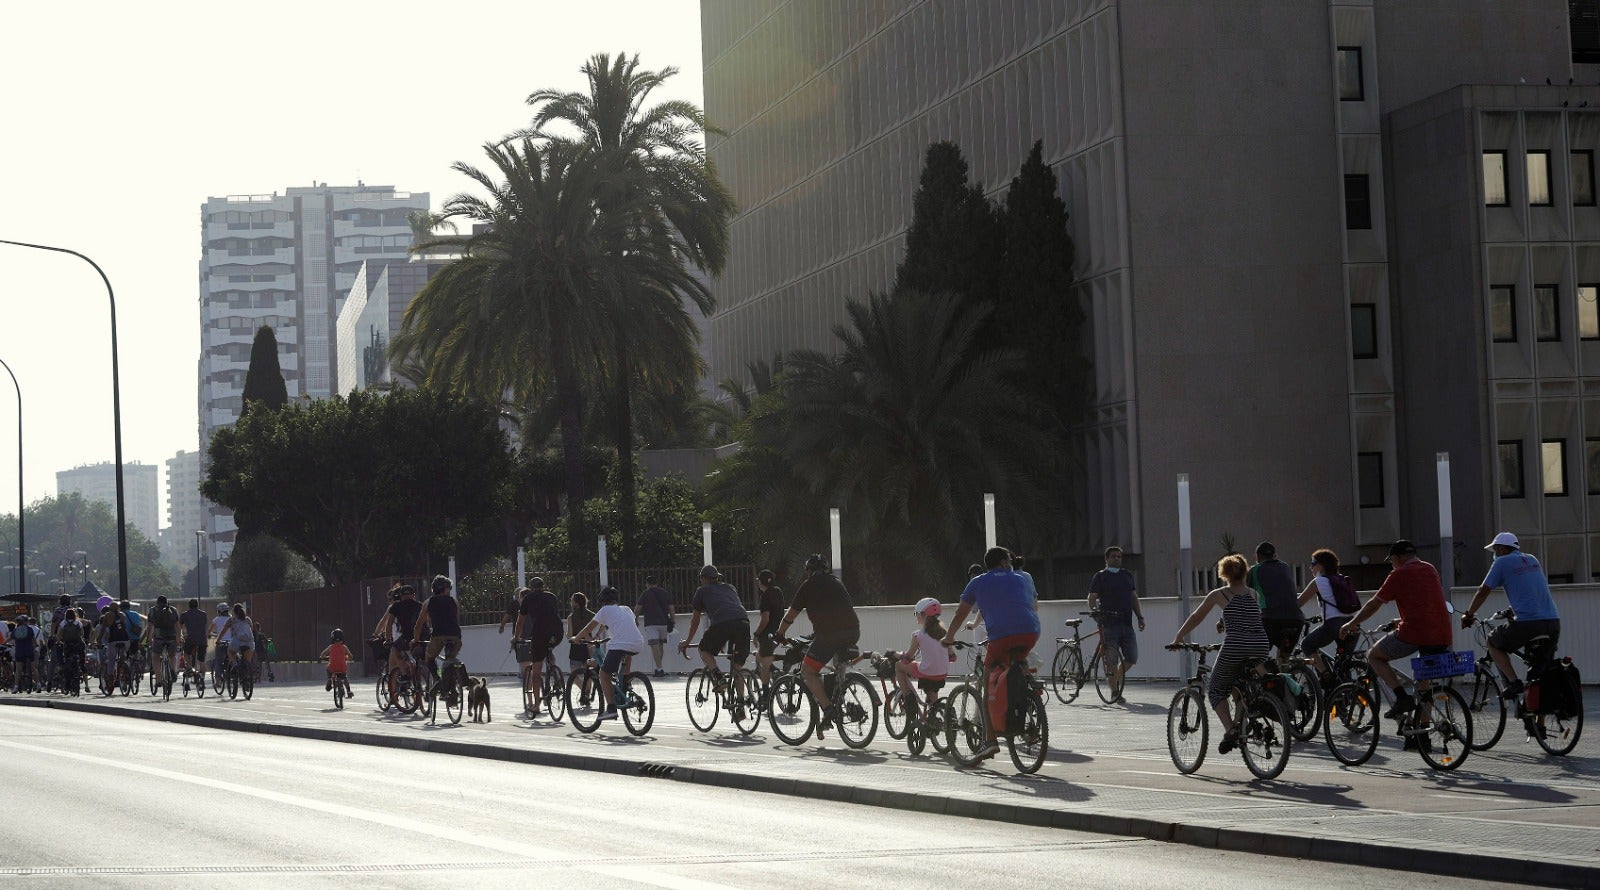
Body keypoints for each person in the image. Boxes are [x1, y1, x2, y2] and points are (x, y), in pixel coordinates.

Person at [1169, 554, 1271, 754]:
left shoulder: (1220, 594)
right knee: (1237, 679)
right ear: (1245, 571)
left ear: (1223, 573)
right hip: (1260, 644)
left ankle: (1232, 730)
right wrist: (1224, 622)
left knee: (1215, 688)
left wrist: (1179, 636)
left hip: (1236, 645)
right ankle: (1244, 715)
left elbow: (1196, 616)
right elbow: (1246, 615)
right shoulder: (1253, 594)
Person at [1340, 540, 1453, 719]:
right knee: (1423, 683)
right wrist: (1400, 620)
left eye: (1392, 561)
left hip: (1415, 633)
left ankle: (1401, 698)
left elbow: (1373, 604)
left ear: (1398, 558)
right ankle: (1422, 734)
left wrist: (1351, 623)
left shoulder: (1399, 574)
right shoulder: (1430, 569)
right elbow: (1426, 605)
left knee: (1373, 655)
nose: (1392, 565)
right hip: (1442, 633)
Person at [948, 547, 1040, 761]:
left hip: (1001, 637)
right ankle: (1028, 694)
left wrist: (949, 637)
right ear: (1003, 562)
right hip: (1031, 632)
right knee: (1017, 663)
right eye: (1009, 559)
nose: (1011, 562)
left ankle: (990, 742)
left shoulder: (978, 582)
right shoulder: (1020, 578)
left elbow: (961, 613)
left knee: (985, 682)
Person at [1462, 531, 1561, 699]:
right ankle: (1538, 723)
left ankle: (1514, 682)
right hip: (1552, 622)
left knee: (1492, 641)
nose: (1494, 555)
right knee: (1540, 672)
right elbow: (1531, 590)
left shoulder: (1502, 562)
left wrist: (1469, 615)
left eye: (1494, 551)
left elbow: (1483, 591)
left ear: (1500, 549)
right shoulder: (1532, 559)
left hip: (1528, 624)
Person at [774, 554, 861, 735]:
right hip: (853, 631)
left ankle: (828, 709)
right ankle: (839, 697)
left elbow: (791, 615)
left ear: (808, 571)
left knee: (808, 670)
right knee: (838, 670)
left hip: (829, 636)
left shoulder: (808, 586)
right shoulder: (837, 582)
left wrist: (780, 633)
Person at [571, 586, 645, 721]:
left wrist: (576, 638)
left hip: (620, 644)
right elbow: (630, 623)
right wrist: (600, 634)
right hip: (638, 642)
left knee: (603, 674)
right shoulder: (626, 609)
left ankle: (611, 708)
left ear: (602, 600)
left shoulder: (604, 610)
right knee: (627, 655)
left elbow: (589, 627)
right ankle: (625, 684)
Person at [1087, 545, 1145, 705]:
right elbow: (1092, 598)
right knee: (1111, 660)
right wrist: (1095, 614)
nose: (1116, 559)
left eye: (1119, 556)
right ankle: (1114, 692)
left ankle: (1114, 678)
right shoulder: (1100, 576)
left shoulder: (1127, 575)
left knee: (1132, 657)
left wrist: (1140, 617)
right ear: (1106, 559)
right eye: (1113, 556)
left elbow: (1133, 597)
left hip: (1127, 623)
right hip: (1109, 625)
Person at [678, 565, 751, 686]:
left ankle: (718, 677)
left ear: (704, 578)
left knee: (703, 649)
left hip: (722, 623)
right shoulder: (730, 588)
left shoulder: (701, 590)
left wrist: (687, 641)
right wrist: (722, 640)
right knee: (736, 669)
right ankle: (741, 701)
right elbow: (731, 611)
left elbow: (695, 620)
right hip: (743, 622)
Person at [1295, 549, 1358, 684]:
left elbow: (1298, 603)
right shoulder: (1343, 579)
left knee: (1306, 645)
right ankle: (1346, 694)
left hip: (1334, 625)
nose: (1311, 567)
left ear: (1322, 565)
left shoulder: (1319, 581)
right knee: (1343, 665)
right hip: (1353, 624)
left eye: (1313, 563)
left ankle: (1326, 674)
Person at [513, 579, 563, 718]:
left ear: (531, 588)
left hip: (541, 633)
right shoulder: (552, 596)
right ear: (543, 587)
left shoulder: (528, 598)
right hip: (558, 632)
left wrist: (516, 638)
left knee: (536, 671)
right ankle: (555, 673)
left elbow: (520, 621)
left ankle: (536, 705)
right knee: (549, 650)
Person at [896, 597, 954, 713]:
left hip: (927, 672)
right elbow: (952, 657)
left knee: (898, 666)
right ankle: (934, 716)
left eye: (916, 613)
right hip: (943, 672)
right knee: (933, 694)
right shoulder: (945, 633)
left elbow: (908, 658)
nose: (916, 616)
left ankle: (908, 698)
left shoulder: (918, 635)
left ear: (924, 615)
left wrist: (895, 654)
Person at [1248, 542, 1302, 665]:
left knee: (1257, 656)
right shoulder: (1285, 567)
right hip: (1296, 619)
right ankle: (1285, 677)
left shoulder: (1255, 570)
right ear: (1275, 555)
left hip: (1272, 619)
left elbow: (1243, 595)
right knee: (1283, 660)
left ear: (1257, 556)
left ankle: (1268, 681)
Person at [415, 575, 463, 696]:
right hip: (455, 636)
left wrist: (415, 640)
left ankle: (436, 678)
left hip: (438, 636)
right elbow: (456, 619)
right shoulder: (454, 601)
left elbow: (419, 624)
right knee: (450, 659)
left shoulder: (428, 602)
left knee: (429, 657)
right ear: (446, 589)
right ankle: (452, 688)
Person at [373, 584, 422, 698]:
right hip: (413, 637)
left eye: (390, 599)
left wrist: (376, 634)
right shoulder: (413, 606)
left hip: (400, 640)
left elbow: (384, 623)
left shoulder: (393, 607)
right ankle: (414, 692)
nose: (389, 602)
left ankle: (393, 695)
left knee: (392, 667)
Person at [751, 569, 785, 692]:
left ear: (761, 582)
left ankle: (766, 694)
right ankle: (775, 672)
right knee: (760, 657)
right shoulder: (778, 592)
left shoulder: (765, 596)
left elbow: (765, 619)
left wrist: (756, 634)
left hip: (767, 635)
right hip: (778, 632)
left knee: (765, 664)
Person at [637, 575, 675, 678]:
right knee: (660, 645)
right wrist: (672, 621)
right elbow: (671, 609)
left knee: (655, 646)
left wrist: (635, 619)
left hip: (651, 624)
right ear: (656, 583)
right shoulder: (665, 593)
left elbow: (638, 608)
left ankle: (659, 668)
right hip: (663, 623)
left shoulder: (645, 593)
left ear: (647, 584)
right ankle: (659, 668)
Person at [144, 595, 181, 690]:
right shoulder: (173, 609)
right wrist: (178, 638)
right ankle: (172, 670)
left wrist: (148, 639)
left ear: (157, 602)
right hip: (171, 637)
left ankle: (159, 680)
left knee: (155, 657)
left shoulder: (152, 610)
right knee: (172, 656)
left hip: (159, 638)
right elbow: (177, 626)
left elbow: (149, 627)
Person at [567, 592, 596, 704]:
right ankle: (587, 693)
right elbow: (603, 623)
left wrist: (568, 636)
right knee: (588, 672)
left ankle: (585, 690)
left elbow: (570, 635)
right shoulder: (591, 614)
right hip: (588, 645)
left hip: (576, 646)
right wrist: (597, 635)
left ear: (575, 603)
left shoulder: (571, 617)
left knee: (574, 674)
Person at [98, 600, 131, 686]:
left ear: (109, 608)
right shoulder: (122, 615)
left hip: (113, 640)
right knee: (124, 655)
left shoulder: (108, 615)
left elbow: (103, 629)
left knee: (111, 661)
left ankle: (110, 678)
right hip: (125, 640)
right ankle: (124, 667)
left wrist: (98, 640)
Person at [219, 603, 257, 677]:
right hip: (249, 643)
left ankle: (234, 664)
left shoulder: (232, 620)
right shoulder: (248, 619)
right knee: (247, 660)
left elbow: (223, 631)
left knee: (230, 651)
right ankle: (247, 678)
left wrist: (218, 640)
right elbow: (251, 630)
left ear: (234, 611)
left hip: (236, 642)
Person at [179, 599, 209, 685]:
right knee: (201, 660)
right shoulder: (203, 614)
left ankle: (189, 667)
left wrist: (181, 636)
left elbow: (180, 627)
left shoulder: (184, 615)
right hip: (202, 640)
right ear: (197, 605)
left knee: (186, 653)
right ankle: (202, 679)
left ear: (189, 605)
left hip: (190, 639)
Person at [320, 629, 356, 698]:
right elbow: (351, 656)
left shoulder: (330, 647)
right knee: (345, 678)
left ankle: (329, 679)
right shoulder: (344, 647)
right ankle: (348, 691)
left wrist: (324, 657)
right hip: (342, 667)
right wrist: (347, 658)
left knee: (328, 668)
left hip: (332, 667)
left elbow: (322, 655)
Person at [11, 614, 38, 691]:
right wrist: (35, 644)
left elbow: (9, 638)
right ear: (26, 621)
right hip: (29, 650)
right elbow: (34, 641)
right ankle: (38, 684)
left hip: (19, 651)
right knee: (34, 668)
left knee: (18, 669)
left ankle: (16, 686)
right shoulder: (29, 629)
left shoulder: (16, 630)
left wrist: (4, 643)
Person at [209, 602, 233, 677]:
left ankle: (218, 680)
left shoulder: (216, 619)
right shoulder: (231, 619)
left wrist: (210, 635)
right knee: (233, 657)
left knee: (218, 661)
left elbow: (209, 631)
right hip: (231, 642)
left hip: (221, 642)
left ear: (219, 611)